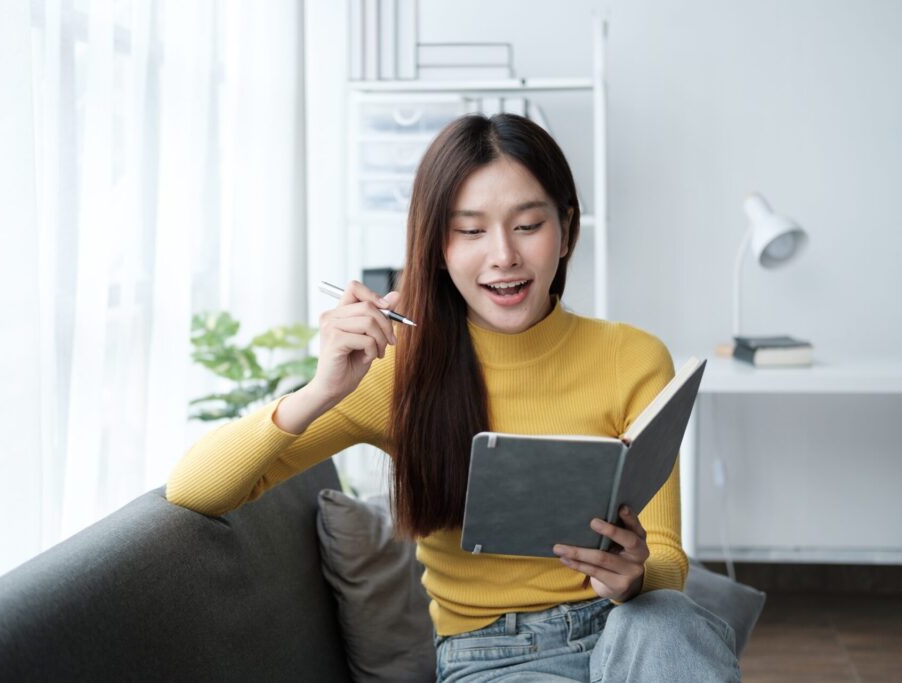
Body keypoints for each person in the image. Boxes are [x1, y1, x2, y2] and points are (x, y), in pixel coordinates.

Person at [167, 114, 740, 682]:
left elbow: (664, 555)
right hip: (496, 657)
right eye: (470, 231)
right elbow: (194, 489)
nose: (503, 256)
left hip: (629, 627)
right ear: (437, 246)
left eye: (528, 225)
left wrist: (635, 579)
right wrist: (321, 390)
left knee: (670, 624)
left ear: (565, 228)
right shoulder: (394, 371)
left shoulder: (635, 358)